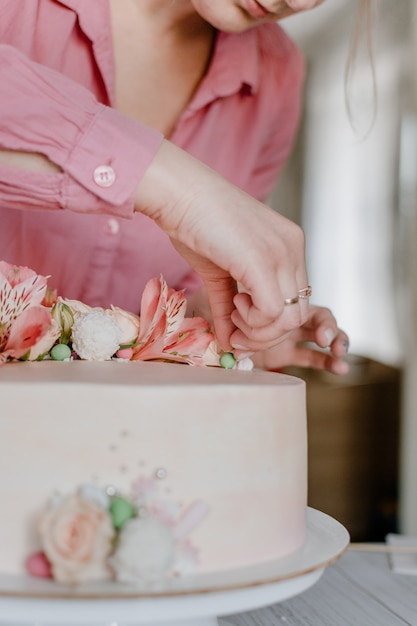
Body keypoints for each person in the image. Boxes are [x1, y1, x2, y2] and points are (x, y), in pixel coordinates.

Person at [0, 0, 348, 374]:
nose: (297, 2)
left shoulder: (276, 77)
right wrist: (180, 192)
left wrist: (208, 330)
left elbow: (185, 289)